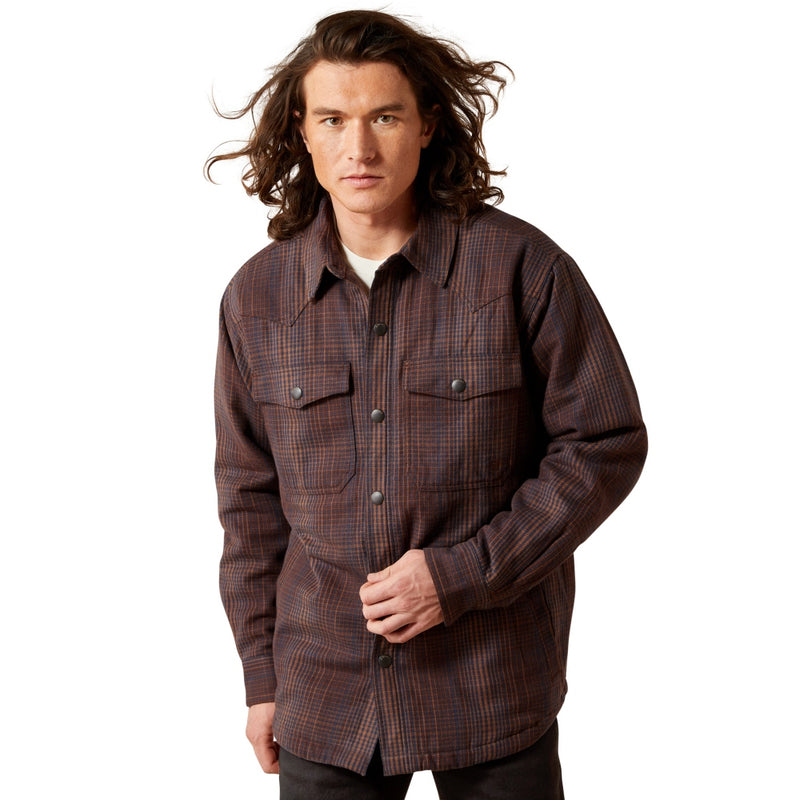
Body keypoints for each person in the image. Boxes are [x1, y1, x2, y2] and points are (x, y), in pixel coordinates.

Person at [209, 10, 647, 799]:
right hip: (325, 691)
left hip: (490, 683)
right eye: (332, 120)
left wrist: (464, 575)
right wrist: (261, 677)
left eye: (384, 116)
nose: (359, 148)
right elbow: (249, 503)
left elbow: (604, 442)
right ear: (302, 132)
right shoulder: (258, 299)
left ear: (428, 125)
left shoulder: (522, 269)